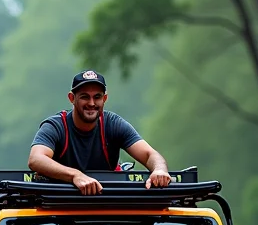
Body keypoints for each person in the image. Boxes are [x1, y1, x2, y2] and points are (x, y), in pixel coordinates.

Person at [28, 70, 172, 195]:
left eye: (97, 97)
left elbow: (150, 155)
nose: (91, 103)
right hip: (59, 200)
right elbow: (36, 159)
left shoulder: (113, 124)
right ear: (72, 98)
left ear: (104, 99)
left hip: (108, 199)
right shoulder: (55, 126)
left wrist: (159, 170)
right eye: (85, 97)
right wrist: (75, 175)